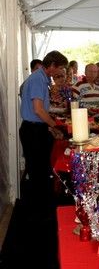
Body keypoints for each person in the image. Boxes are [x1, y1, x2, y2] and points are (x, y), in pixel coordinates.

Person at [20, 50, 68, 200]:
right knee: (37, 172)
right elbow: (38, 110)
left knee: (40, 170)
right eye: (60, 68)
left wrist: (50, 127)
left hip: (36, 128)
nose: (61, 72)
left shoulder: (42, 78)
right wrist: (55, 125)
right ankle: (38, 208)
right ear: (53, 65)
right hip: (32, 130)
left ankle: (40, 204)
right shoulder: (38, 79)